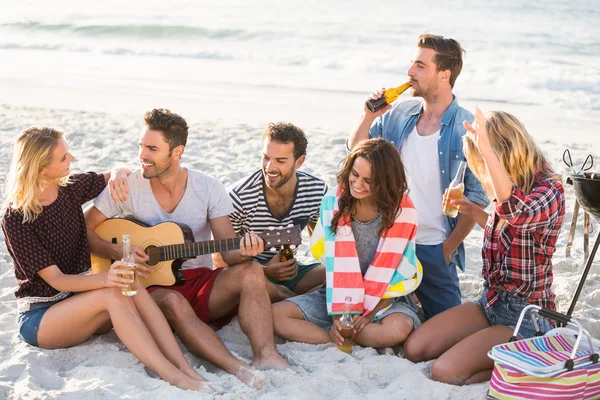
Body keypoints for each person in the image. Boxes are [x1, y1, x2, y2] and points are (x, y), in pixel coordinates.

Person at [84, 109, 287, 389]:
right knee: (173, 302)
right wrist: (118, 252)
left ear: (177, 151)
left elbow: (228, 254)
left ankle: (266, 354)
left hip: (197, 283)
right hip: (147, 288)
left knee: (251, 270)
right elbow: (86, 228)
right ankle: (237, 368)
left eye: (152, 148)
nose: (142, 154)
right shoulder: (127, 186)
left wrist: (247, 250)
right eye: (141, 145)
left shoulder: (209, 188)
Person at [2, 127, 212, 392]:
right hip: (41, 317)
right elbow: (57, 280)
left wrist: (114, 174)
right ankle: (172, 375)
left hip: (78, 305)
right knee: (113, 292)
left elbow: (118, 173)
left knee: (129, 283)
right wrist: (107, 278)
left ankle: (184, 367)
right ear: (42, 168)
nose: (73, 159)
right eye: (64, 157)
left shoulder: (68, 190)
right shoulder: (16, 217)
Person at [402, 108, 566, 385]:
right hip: (490, 302)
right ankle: (492, 350)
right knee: (415, 349)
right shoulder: (511, 183)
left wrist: (487, 152)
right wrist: (470, 209)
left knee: (445, 372)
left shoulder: (549, 191)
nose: (481, 171)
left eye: (483, 162)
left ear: (501, 154)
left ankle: (529, 361)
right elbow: (508, 230)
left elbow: (516, 213)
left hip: (526, 315)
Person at [348, 34, 489, 320]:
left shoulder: (465, 130)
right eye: (413, 64)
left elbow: (477, 199)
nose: (410, 72)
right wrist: (367, 117)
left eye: (420, 66)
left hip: (433, 250)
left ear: (444, 75)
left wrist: (447, 249)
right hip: (388, 242)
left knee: (446, 325)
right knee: (363, 317)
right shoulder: (400, 114)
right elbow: (356, 151)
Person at [272, 138, 422, 349]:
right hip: (338, 293)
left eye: (369, 180)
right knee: (276, 316)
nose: (358, 185)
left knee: (397, 330)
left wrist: (368, 316)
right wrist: (338, 318)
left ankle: (347, 333)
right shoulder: (333, 203)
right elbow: (332, 266)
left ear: (386, 181)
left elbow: (401, 272)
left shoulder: (403, 212)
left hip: (386, 298)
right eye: (355, 174)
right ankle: (336, 337)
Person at [224, 122, 327, 297]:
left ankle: (289, 299)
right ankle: (289, 299)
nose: (269, 167)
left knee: (333, 274)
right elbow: (219, 261)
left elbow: (323, 245)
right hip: (250, 276)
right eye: (266, 157)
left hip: (292, 274)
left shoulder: (316, 190)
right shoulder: (238, 197)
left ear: (299, 161)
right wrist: (264, 271)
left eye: (280, 161)